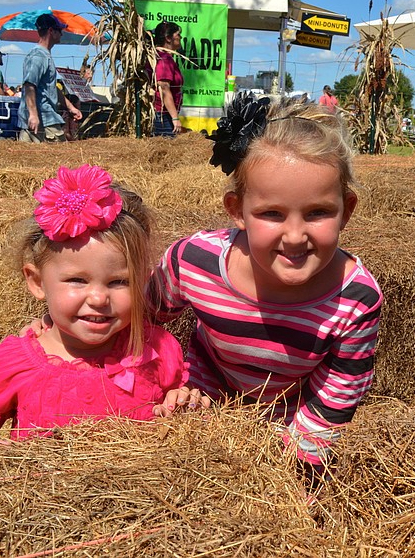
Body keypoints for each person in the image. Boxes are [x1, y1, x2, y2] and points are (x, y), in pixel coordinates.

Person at [152, 93, 383, 494]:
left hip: (288, 414)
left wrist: (289, 464)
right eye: (272, 214)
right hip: (201, 394)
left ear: (347, 209)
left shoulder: (356, 298)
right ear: (237, 209)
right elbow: (142, 315)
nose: (295, 236)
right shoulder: (194, 260)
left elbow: (335, 396)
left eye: (317, 213)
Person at [0, 165, 206, 455]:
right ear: (37, 282)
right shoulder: (18, 361)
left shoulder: (155, 349)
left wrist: (182, 402)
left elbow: (175, 401)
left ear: (142, 281)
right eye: (77, 281)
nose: (99, 298)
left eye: (119, 282)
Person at [19, 13, 82, 143]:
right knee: (60, 159)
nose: (62, 34)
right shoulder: (38, 56)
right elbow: (29, 86)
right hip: (43, 120)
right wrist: (33, 115)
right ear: (51, 31)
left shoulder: (44, 56)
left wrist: (71, 108)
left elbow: (51, 88)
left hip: (39, 119)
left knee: (28, 160)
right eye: (59, 30)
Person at [149, 21, 184, 137]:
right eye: (178, 35)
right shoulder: (164, 59)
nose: (180, 37)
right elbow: (163, 88)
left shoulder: (161, 56)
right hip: (163, 117)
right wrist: (174, 118)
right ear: (168, 38)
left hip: (162, 115)